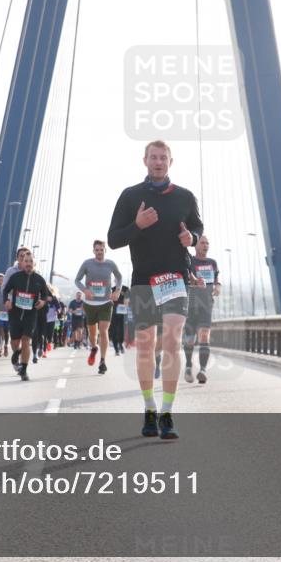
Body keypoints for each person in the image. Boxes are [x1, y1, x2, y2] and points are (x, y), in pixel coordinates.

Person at [108, 140, 203, 439]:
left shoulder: (185, 197)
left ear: (171, 162)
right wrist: (137, 224)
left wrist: (192, 237)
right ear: (145, 160)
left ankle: (167, 413)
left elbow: (197, 228)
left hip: (175, 279)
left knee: (173, 341)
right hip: (143, 281)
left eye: (163, 158)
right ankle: (149, 408)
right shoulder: (130, 196)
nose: (158, 162)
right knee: (147, 347)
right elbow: (113, 239)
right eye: (154, 157)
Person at [74, 240, 123, 374]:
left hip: (106, 303)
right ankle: (94, 347)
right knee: (92, 333)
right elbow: (77, 280)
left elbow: (119, 277)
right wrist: (85, 290)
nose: (99, 252)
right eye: (97, 250)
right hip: (90, 304)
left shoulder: (110, 264)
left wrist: (117, 290)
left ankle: (102, 361)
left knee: (103, 331)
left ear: (105, 250)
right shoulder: (87, 263)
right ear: (93, 251)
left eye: (101, 249)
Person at [2, 252, 52, 381]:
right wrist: (6, 301)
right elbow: (6, 290)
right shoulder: (15, 277)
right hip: (15, 314)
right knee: (15, 342)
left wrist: (42, 302)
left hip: (30, 315)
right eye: (26, 261)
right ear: (22, 263)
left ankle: (24, 370)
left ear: (34, 264)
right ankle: (16, 352)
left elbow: (45, 295)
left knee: (26, 341)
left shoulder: (39, 279)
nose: (28, 263)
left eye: (31, 261)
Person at [184, 235, 221, 384]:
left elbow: (216, 279)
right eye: (202, 242)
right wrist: (195, 283)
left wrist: (218, 286)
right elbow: (185, 279)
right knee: (190, 340)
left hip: (206, 304)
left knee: (204, 336)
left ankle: (203, 370)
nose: (205, 245)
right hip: (190, 305)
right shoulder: (190, 261)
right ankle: (188, 365)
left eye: (207, 243)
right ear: (195, 245)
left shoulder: (212, 263)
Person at [110, 285, 129, 355]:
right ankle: (116, 349)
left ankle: (121, 344)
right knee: (114, 331)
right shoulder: (112, 289)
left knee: (121, 331)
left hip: (123, 314)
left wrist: (127, 303)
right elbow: (109, 300)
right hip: (113, 314)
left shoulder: (125, 289)